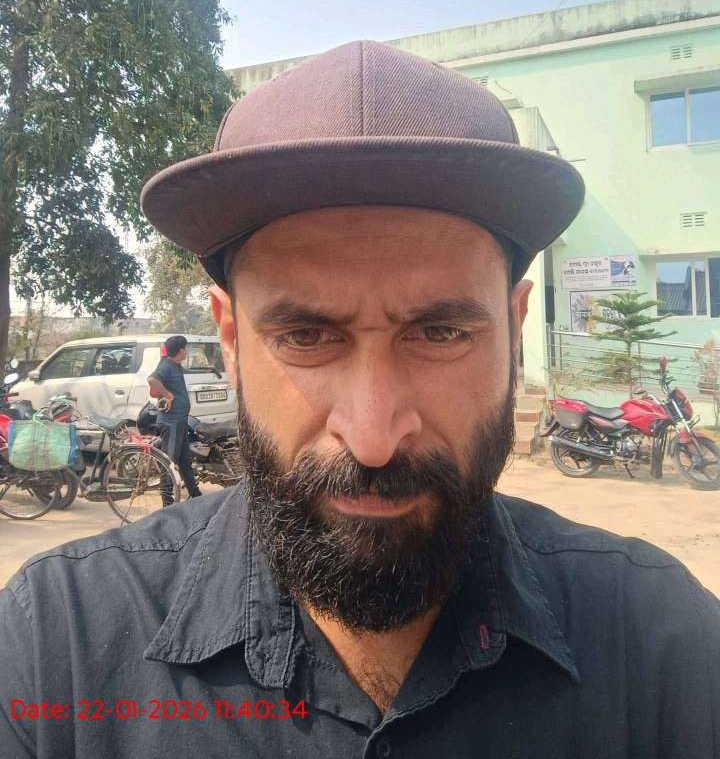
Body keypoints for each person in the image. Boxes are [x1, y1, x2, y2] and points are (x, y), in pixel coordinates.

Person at [1, 41, 718, 758]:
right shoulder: (55, 647)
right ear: (231, 340)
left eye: (440, 333)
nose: (373, 437)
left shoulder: (668, 652)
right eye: (306, 336)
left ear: (514, 326)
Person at [147, 334, 202, 501]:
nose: (187, 351)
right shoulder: (166, 366)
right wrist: (168, 394)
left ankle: (195, 496)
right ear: (180, 351)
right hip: (171, 423)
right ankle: (167, 502)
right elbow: (152, 379)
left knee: (185, 461)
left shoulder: (174, 364)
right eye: (185, 348)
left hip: (180, 422)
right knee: (169, 463)